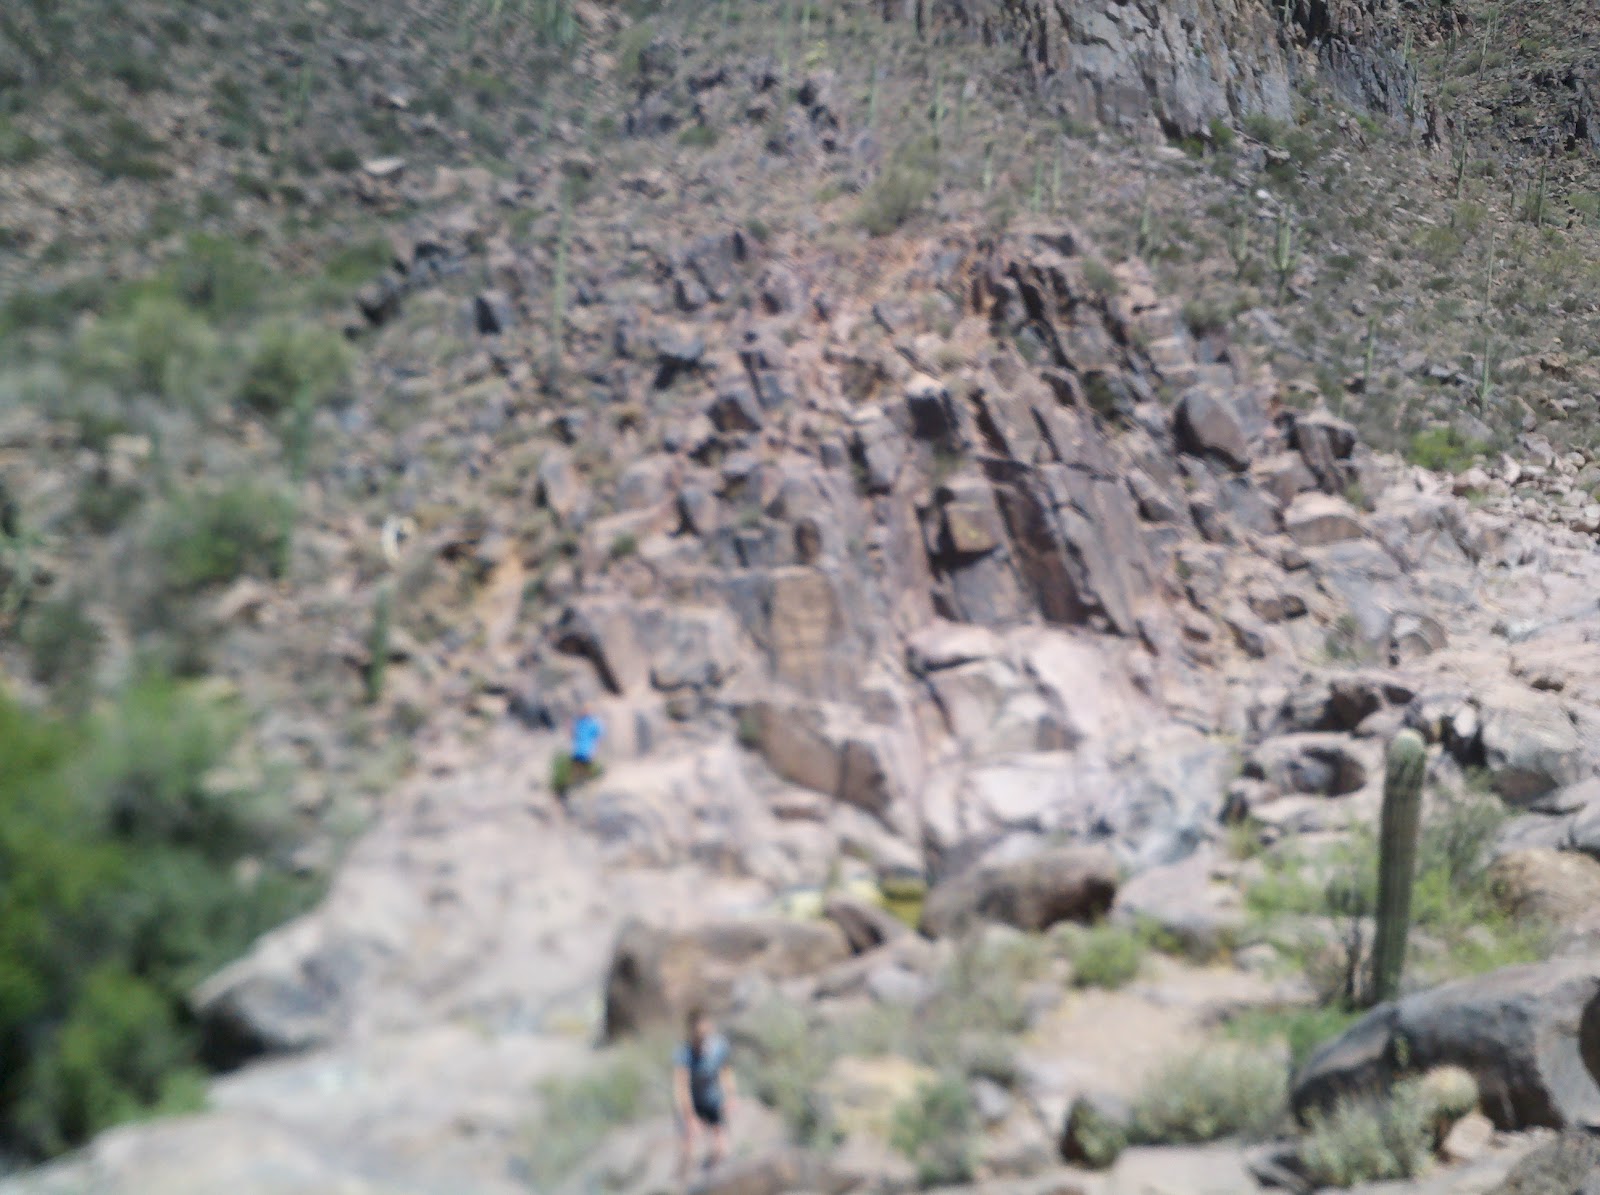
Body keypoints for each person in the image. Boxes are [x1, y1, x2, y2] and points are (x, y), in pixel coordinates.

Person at [673, 1007, 736, 1182]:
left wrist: (731, 1097)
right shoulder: (684, 1053)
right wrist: (690, 1118)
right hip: (692, 1103)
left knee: (722, 1149)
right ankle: (682, 1181)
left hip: (712, 1100)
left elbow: (726, 1072)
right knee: (689, 1151)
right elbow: (681, 1087)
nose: (702, 1034)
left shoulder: (718, 1046)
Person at [569, 705, 603, 784]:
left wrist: (596, 746)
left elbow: (598, 735)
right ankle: (579, 781)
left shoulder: (592, 723)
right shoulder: (579, 722)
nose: (583, 713)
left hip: (587, 749)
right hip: (578, 749)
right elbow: (573, 734)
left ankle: (587, 781)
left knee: (585, 767)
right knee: (576, 767)